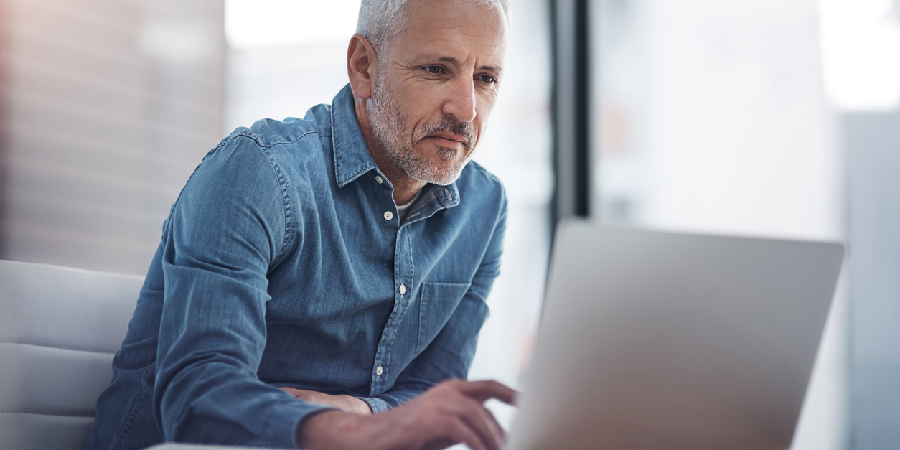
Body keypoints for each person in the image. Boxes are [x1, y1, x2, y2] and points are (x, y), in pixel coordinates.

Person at [85, 0, 516, 449]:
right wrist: (354, 430)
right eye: (435, 69)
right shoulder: (258, 173)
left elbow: (435, 393)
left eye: (485, 78)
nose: (466, 109)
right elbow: (197, 399)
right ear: (363, 66)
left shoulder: (484, 207)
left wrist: (364, 414)